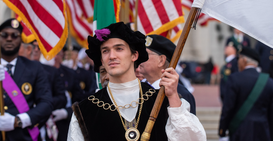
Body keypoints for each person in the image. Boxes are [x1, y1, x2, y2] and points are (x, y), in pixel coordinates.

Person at [68, 22, 206, 141]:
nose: (111, 56)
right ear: (102, 60)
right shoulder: (85, 110)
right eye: (105, 51)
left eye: (119, 49)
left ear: (134, 55)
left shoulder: (162, 101)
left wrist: (174, 99)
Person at [219, 47, 273, 141]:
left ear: (244, 60)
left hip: (239, 132)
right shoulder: (269, 82)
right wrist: (271, 136)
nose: (237, 62)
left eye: (239, 58)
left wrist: (222, 130)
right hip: (262, 132)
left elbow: (227, 109)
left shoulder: (234, 79)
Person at [138, 34, 196, 115]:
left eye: (145, 53)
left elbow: (186, 126)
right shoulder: (138, 89)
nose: (139, 57)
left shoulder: (181, 93)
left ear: (161, 60)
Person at [51, 50, 86, 141]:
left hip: (65, 124)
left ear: (61, 55)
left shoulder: (70, 73)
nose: (54, 57)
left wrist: (67, 112)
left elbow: (80, 100)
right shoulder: (39, 72)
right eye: (50, 54)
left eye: (57, 54)